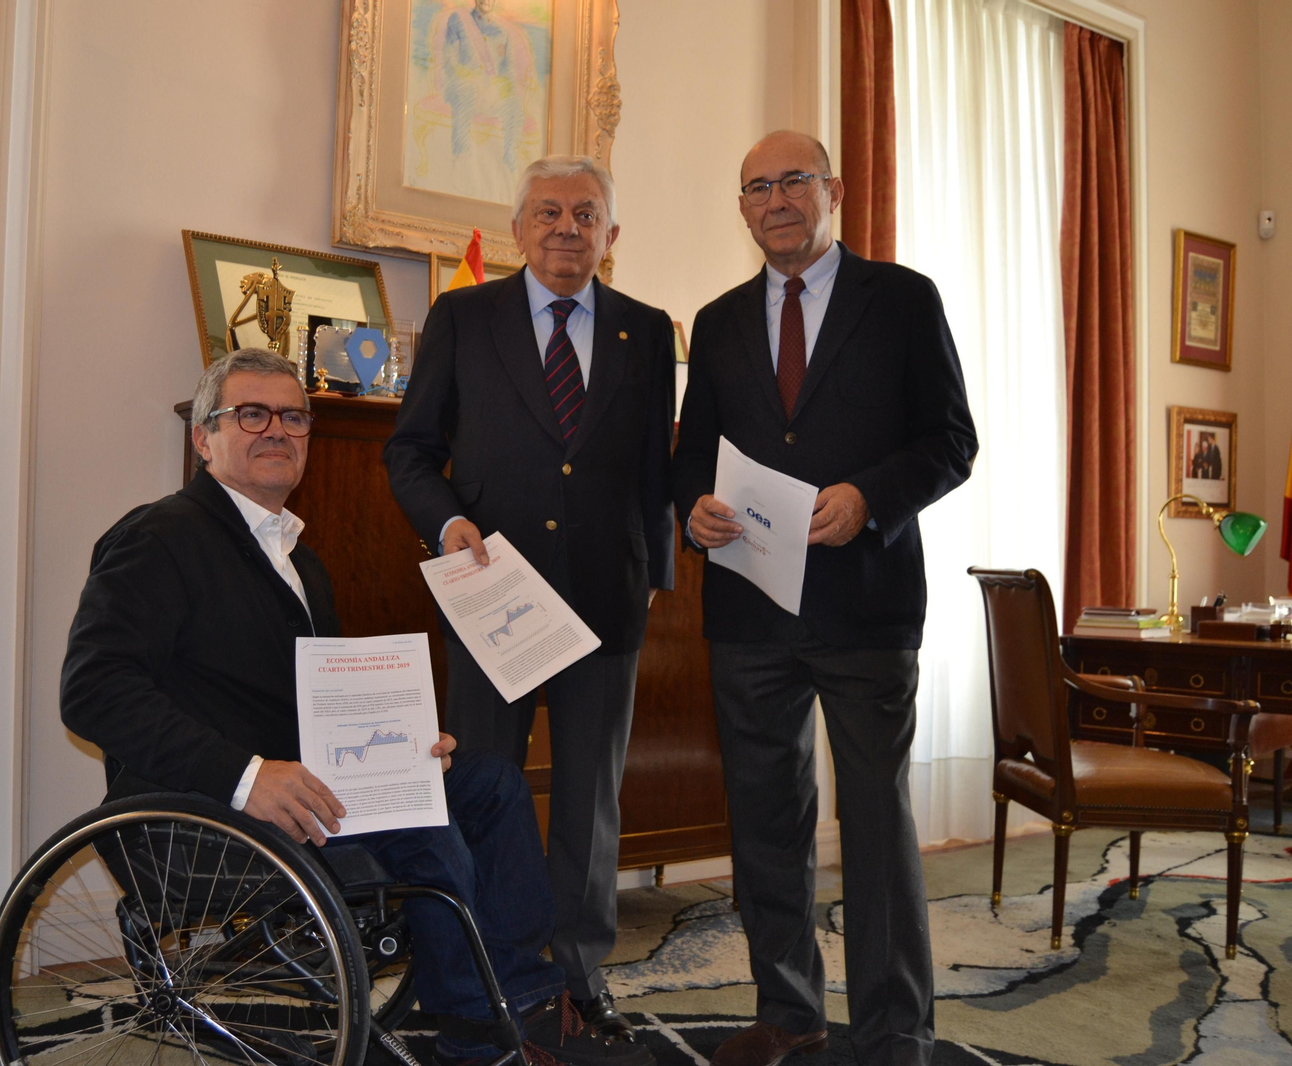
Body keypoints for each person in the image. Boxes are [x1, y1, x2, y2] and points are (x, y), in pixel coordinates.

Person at [60, 349, 653, 1066]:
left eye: (293, 416)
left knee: (491, 783)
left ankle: (522, 1005)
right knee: (416, 818)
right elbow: (92, 690)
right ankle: (482, 1035)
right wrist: (249, 776)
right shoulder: (158, 536)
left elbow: (326, 702)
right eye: (250, 413)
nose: (276, 429)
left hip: (311, 787)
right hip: (207, 810)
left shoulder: (302, 561)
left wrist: (400, 736)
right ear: (203, 438)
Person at [671, 131, 978, 1066]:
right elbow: (692, 455)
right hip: (751, 609)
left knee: (877, 823)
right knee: (765, 819)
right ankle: (788, 1011)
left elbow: (951, 441)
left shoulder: (903, 299)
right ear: (743, 208)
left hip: (866, 605)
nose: (775, 200)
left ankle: (895, 1031)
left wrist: (870, 498)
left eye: (792, 180)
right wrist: (694, 515)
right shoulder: (717, 321)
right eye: (755, 186)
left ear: (832, 190)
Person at [384, 155, 676, 1041]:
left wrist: (652, 580)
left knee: (591, 804)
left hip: (603, 608)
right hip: (491, 608)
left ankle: (579, 979)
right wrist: (446, 525)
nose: (566, 228)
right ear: (518, 230)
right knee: (483, 791)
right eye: (547, 212)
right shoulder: (463, 316)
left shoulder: (647, 329)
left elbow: (655, 476)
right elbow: (409, 451)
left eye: (586, 214)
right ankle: (473, 975)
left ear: (611, 236)